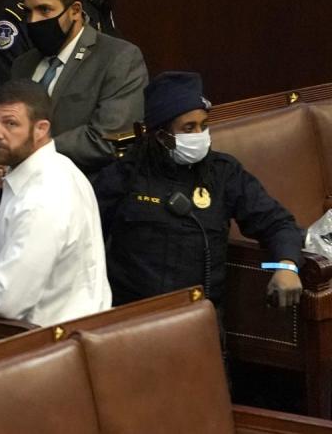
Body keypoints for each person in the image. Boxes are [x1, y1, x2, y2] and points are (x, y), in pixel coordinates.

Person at [94, 71, 303, 308]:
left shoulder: (224, 173)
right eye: (188, 128)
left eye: (204, 126)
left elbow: (278, 223)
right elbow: (88, 241)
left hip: (199, 316)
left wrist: (285, 266)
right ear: (161, 135)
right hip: (134, 316)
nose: (199, 136)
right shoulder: (125, 175)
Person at [0, 79, 111, 326]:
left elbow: (4, 303)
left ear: (41, 128)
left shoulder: (43, 197)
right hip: (64, 337)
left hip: (52, 346)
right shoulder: (61, 169)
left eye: (10, 124)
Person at [8, 0, 147, 175]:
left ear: (75, 11)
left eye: (44, 10)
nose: (33, 21)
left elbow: (108, 138)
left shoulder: (118, 58)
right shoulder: (23, 65)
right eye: (28, 12)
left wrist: (35, 152)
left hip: (87, 189)